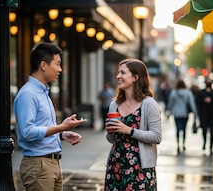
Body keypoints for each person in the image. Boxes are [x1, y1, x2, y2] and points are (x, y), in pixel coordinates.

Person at [13, 42, 87, 191]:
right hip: (39, 166)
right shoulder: (28, 94)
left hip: (51, 163)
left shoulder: (43, 92)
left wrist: (61, 134)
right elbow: (27, 132)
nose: (60, 69)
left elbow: (42, 125)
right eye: (57, 64)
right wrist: (61, 127)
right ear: (43, 65)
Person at [104, 58, 162, 191]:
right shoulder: (114, 104)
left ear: (136, 77)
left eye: (123, 73)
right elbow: (111, 140)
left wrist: (129, 130)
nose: (118, 76)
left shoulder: (149, 104)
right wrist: (110, 131)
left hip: (140, 167)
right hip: (116, 165)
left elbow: (157, 137)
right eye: (118, 73)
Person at [167, 79, 198, 154]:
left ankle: (178, 144)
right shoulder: (188, 93)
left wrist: (169, 111)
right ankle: (183, 144)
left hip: (176, 113)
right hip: (185, 113)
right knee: (184, 129)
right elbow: (191, 103)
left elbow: (170, 102)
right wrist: (195, 112)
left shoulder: (174, 92)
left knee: (177, 129)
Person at [196, 78, 213, 156]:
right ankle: (204, 142)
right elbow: (197, 102)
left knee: (212, 133)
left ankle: (211, 148)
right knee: (204, 131)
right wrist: (204, 100)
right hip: (204, 115)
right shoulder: (201, 93)